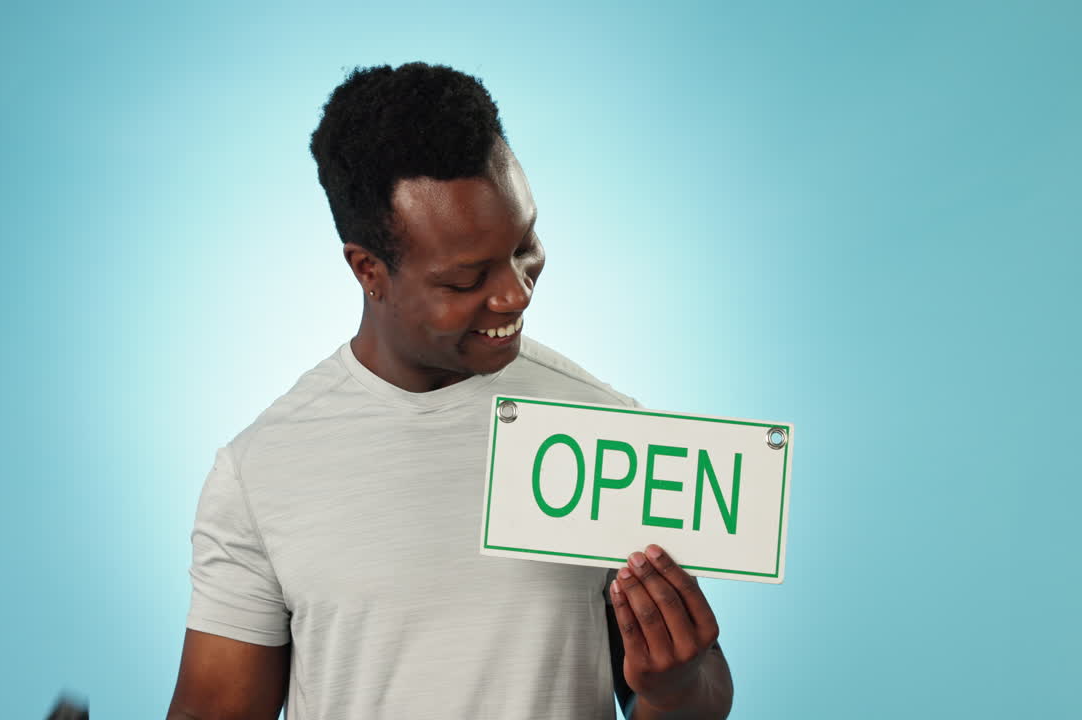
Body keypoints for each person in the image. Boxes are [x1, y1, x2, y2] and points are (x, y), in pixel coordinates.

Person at [166, 62, 733, 720]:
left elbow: (698, 692)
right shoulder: (258, 472)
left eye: (525, 246)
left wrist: (676, 690)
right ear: (368, 270)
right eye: (468, 279)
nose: (516, 293)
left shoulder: (609, 434)